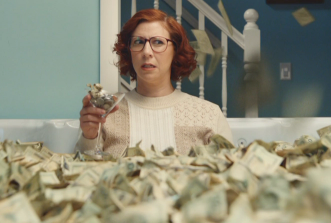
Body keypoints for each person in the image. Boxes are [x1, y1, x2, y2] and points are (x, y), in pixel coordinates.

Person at [75, 9, 233, 156]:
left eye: (158, 42)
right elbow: (83, 177)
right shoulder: (104, 113)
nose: (146, 52)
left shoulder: (209, 114)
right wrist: (89, 137)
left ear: (175, 50)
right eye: (138, 42)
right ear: (129, 51)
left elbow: (229, 177)